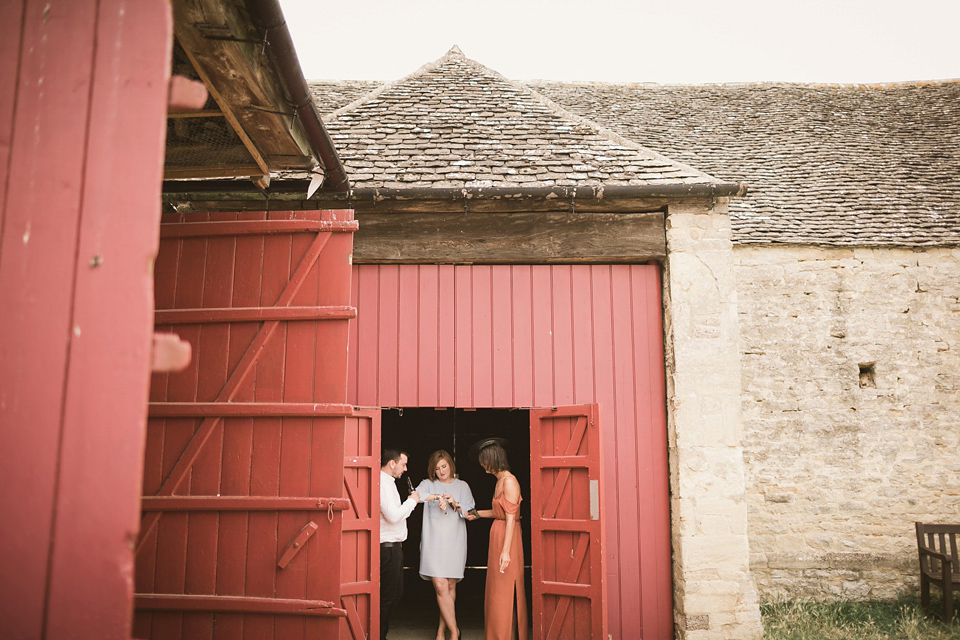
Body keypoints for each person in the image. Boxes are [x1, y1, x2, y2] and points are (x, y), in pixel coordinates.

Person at [471, 439, 529, 640]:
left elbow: (511, 518)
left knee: (506, 590)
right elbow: (500, 513)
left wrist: (506, 551)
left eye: (484, 461)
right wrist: (477, 514)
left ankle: (508, 636)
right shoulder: (499, 481)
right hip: (498, 535)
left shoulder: (510, 481)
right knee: (496, 591)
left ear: (494, 460)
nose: (482, 465)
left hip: (508, 538)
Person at [416, 450, 477, 640]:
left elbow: (472, 513)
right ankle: (456, 631)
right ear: (432, 471)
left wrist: (455, 503)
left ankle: (442, 631)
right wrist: (437, 497)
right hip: (433, 542)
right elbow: (415, 496)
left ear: (450, 464)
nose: (441, 471)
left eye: (444, 466)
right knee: (440, 586)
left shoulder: (462, 486)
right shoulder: (428, 484)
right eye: (437, 468)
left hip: (455, 541)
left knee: (450, 586)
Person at [380, 448, 421, 640]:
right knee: (387, 598)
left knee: (394, 595)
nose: (405, 469)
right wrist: (411, 502)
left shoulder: (389, 483)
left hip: (393, 548)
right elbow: (393, 516)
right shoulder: (383, 484)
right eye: (403, 464)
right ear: (392, 464)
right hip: (387, 549)